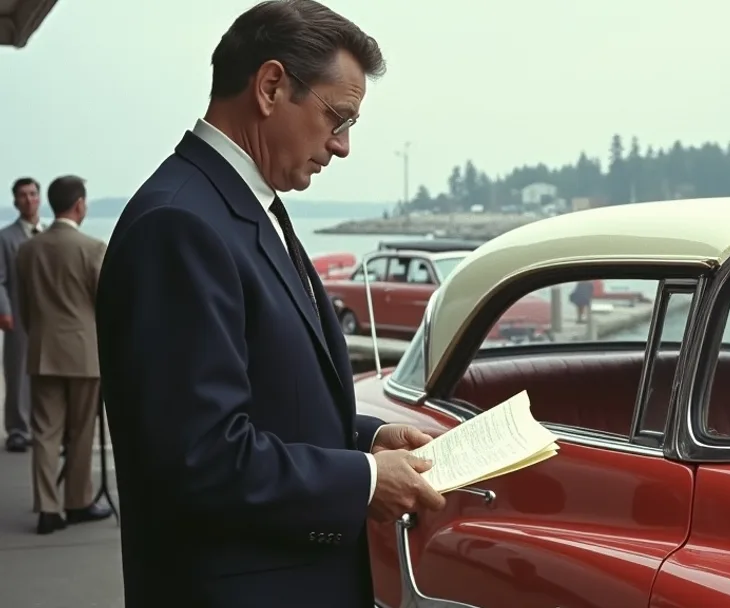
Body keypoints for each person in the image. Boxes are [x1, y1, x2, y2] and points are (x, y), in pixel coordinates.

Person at [95, 2, 445, 606]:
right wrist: (365, 481)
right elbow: (200, 456)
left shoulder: (238, 205)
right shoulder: (179, 224)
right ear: (271, 86)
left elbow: (273, 405)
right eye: (337, 117)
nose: (343, 145)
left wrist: (366, 440)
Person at [16, 175, 113, 534]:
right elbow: (105, 304)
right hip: (83, 353)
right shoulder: (92, 248)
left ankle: (48, 508)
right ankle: (77, 501)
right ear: (79, 204)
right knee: (81, 431)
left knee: (45, 432)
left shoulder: (29, 249)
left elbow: (25, 306)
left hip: (43, 350)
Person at [0, 177, 44, 453]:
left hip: (48, 318)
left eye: (32, 194)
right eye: (23, 195)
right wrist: (4, 311)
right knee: (17, 374)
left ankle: (44, 428)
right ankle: (17, 429)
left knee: (47, 376)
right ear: (15, 201)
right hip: (18, 313)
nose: (28, 199)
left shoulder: (48, 233)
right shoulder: (5, 237)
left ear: (39, 198)